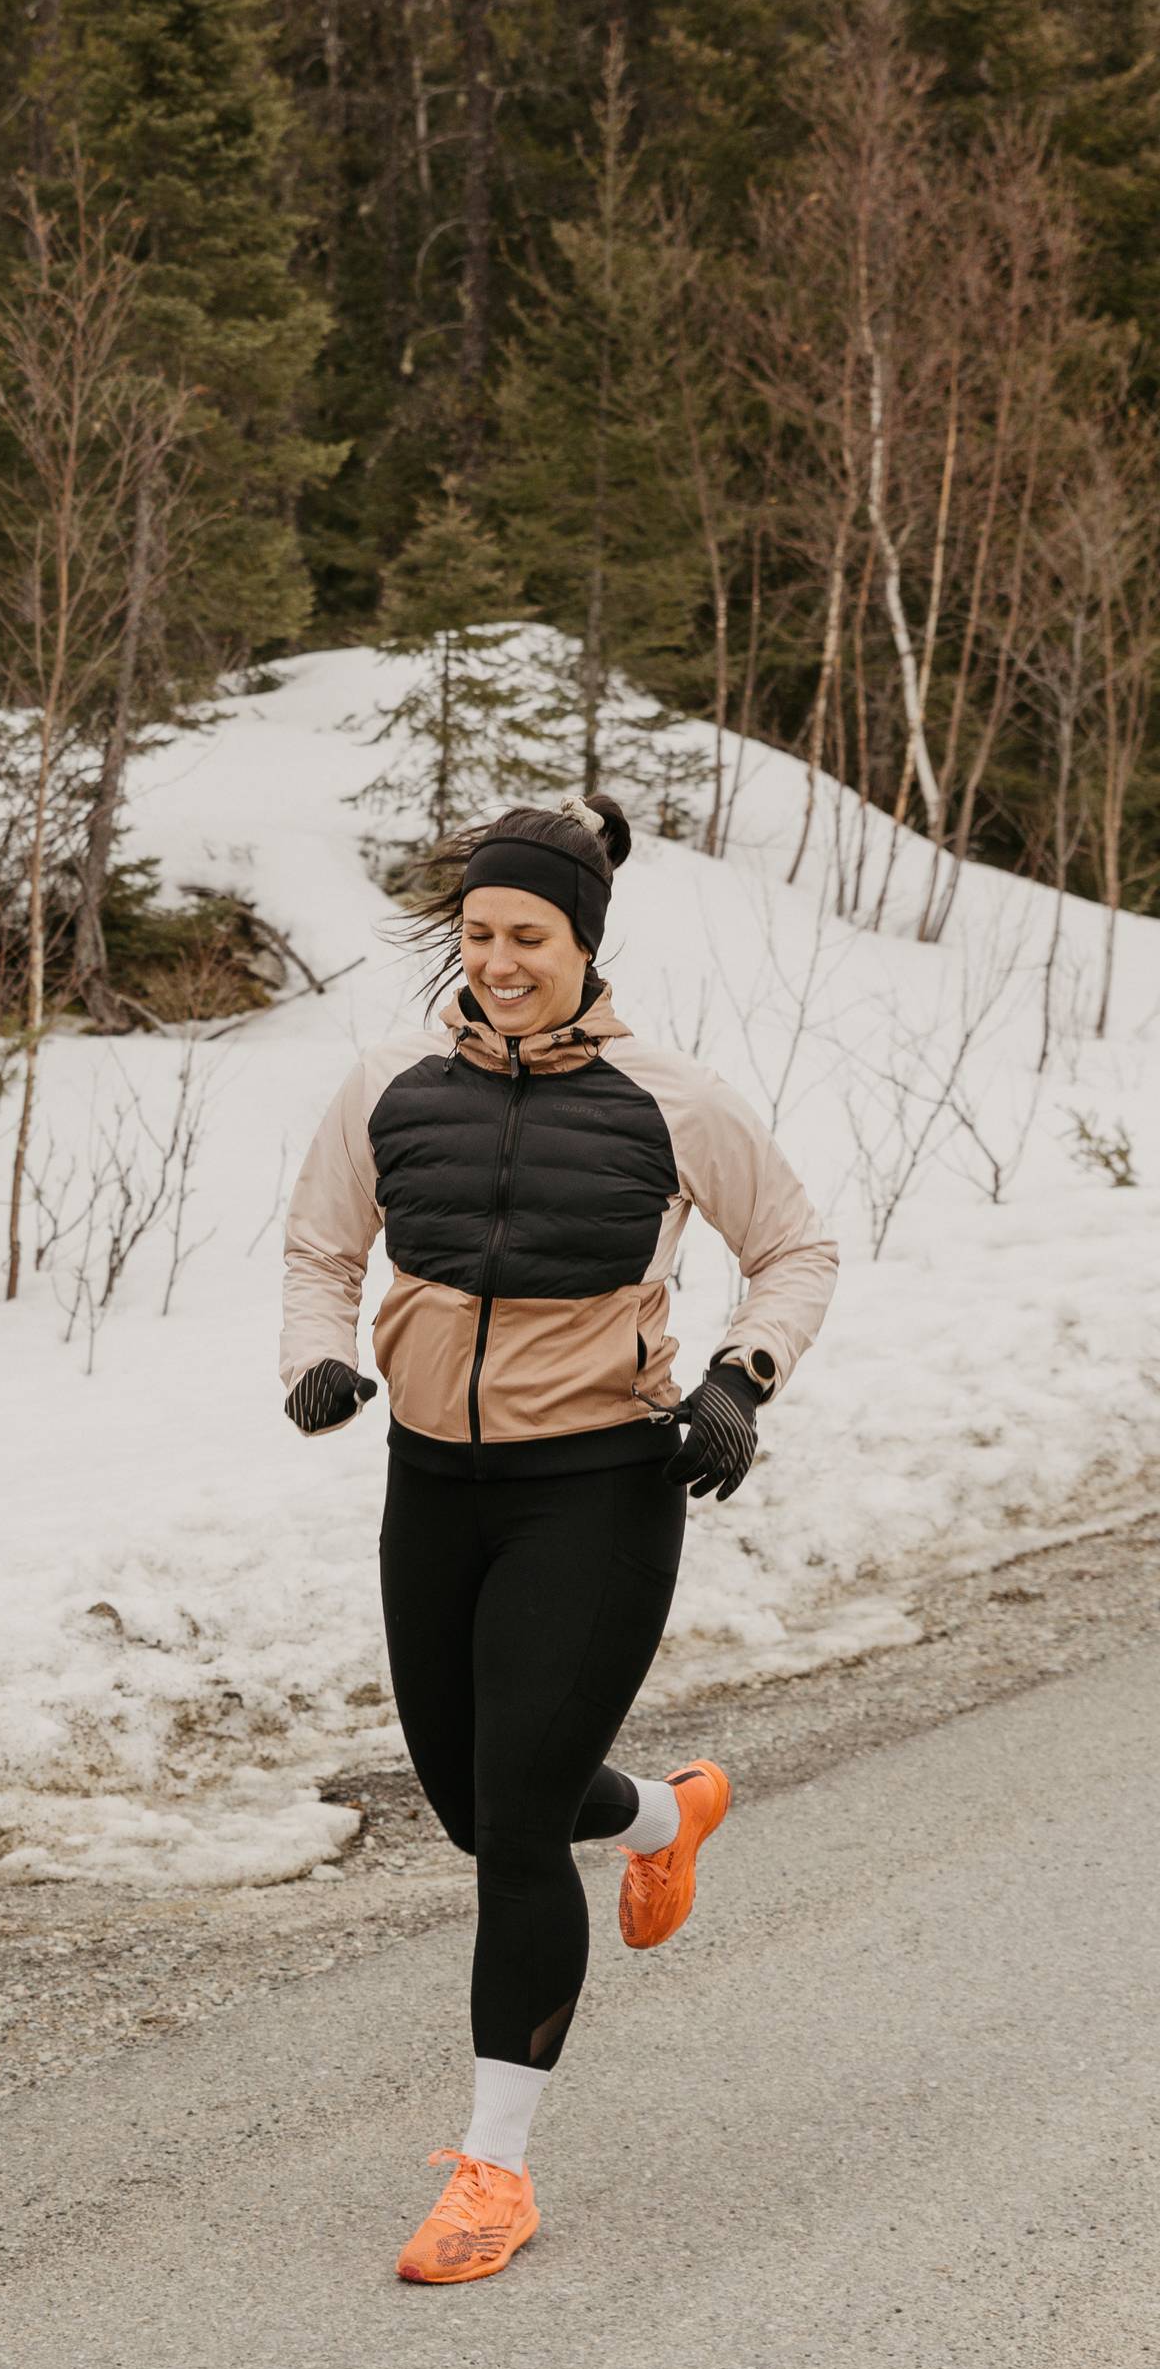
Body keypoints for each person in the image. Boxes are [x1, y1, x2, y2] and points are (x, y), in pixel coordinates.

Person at [279, 795, 836, 2286]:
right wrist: (312, 1356)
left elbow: (793, 1247)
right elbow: (323, 1245)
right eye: (480, 936)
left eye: (529, 936)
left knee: (515, 1827)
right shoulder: (388, 1083)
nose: (502, 961)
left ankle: (493, 2171)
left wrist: (741, 1376)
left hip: (599, 1486)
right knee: (468, 1803)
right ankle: (664, 1816)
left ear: (585, 943)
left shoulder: (674, 1097)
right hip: (432, 1484)